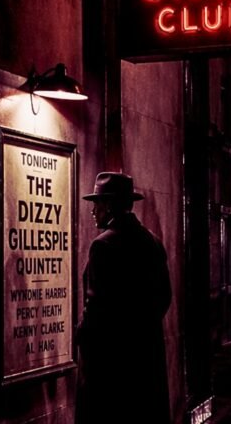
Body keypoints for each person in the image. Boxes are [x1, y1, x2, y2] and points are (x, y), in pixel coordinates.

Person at [78, 172, 171, 423]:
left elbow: (96, 310)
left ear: (109, 205)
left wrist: (79, 336)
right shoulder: (153, 242)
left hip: (111, 366)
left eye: (96, 203)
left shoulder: (103, 246)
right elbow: (165, 297)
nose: (93, 211)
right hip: (146, 360)